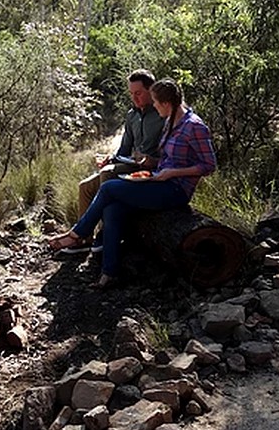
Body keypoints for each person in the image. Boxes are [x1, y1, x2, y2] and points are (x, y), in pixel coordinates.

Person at [48, 78, 216, 288]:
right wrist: (151, 163)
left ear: (166, 103)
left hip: (176, 190)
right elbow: (166, 159)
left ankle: (78, 234)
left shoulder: (194, 126)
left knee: (108, 187)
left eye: (155, 102)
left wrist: (173, 172)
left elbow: (209, 166)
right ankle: (109, 274)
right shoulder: (169, 121)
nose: (153, 106)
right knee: (112, 209)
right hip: (158, 181)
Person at [61, 69, 164, 254]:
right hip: (130, 165)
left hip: (150, 170)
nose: (135, 98)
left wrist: (152, 160)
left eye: (138, 93)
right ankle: (83, 239)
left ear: (151, 90)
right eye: (131, 93)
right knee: (85, 186)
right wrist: (110, 157)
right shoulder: (132, 115)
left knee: (107, 173)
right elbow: (125, 148)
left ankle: (105, 235)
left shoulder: (162, 114)